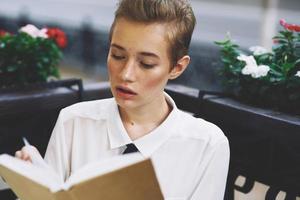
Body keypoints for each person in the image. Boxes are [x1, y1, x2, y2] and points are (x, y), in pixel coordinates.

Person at [15, 0, 230, 199]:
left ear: (177, 67)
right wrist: (32, 182)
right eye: (117, 56)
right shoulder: (73, 122)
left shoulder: (207, 144)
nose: (126, 74)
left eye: (146, 63)